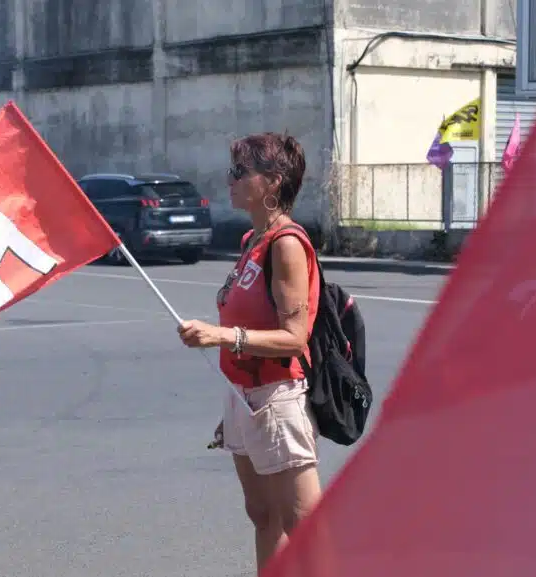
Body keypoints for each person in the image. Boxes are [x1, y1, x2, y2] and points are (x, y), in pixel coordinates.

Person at [177, 132, 322, 574]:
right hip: (245, 396)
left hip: (277, 396)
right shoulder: (252, 241)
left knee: (304, 526)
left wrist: (222, 337)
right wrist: (234, 398)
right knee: (263, 516)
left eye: (241, 172)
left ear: (273, 182)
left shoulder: (287, 245)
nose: (231, 181)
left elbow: (295, 337)